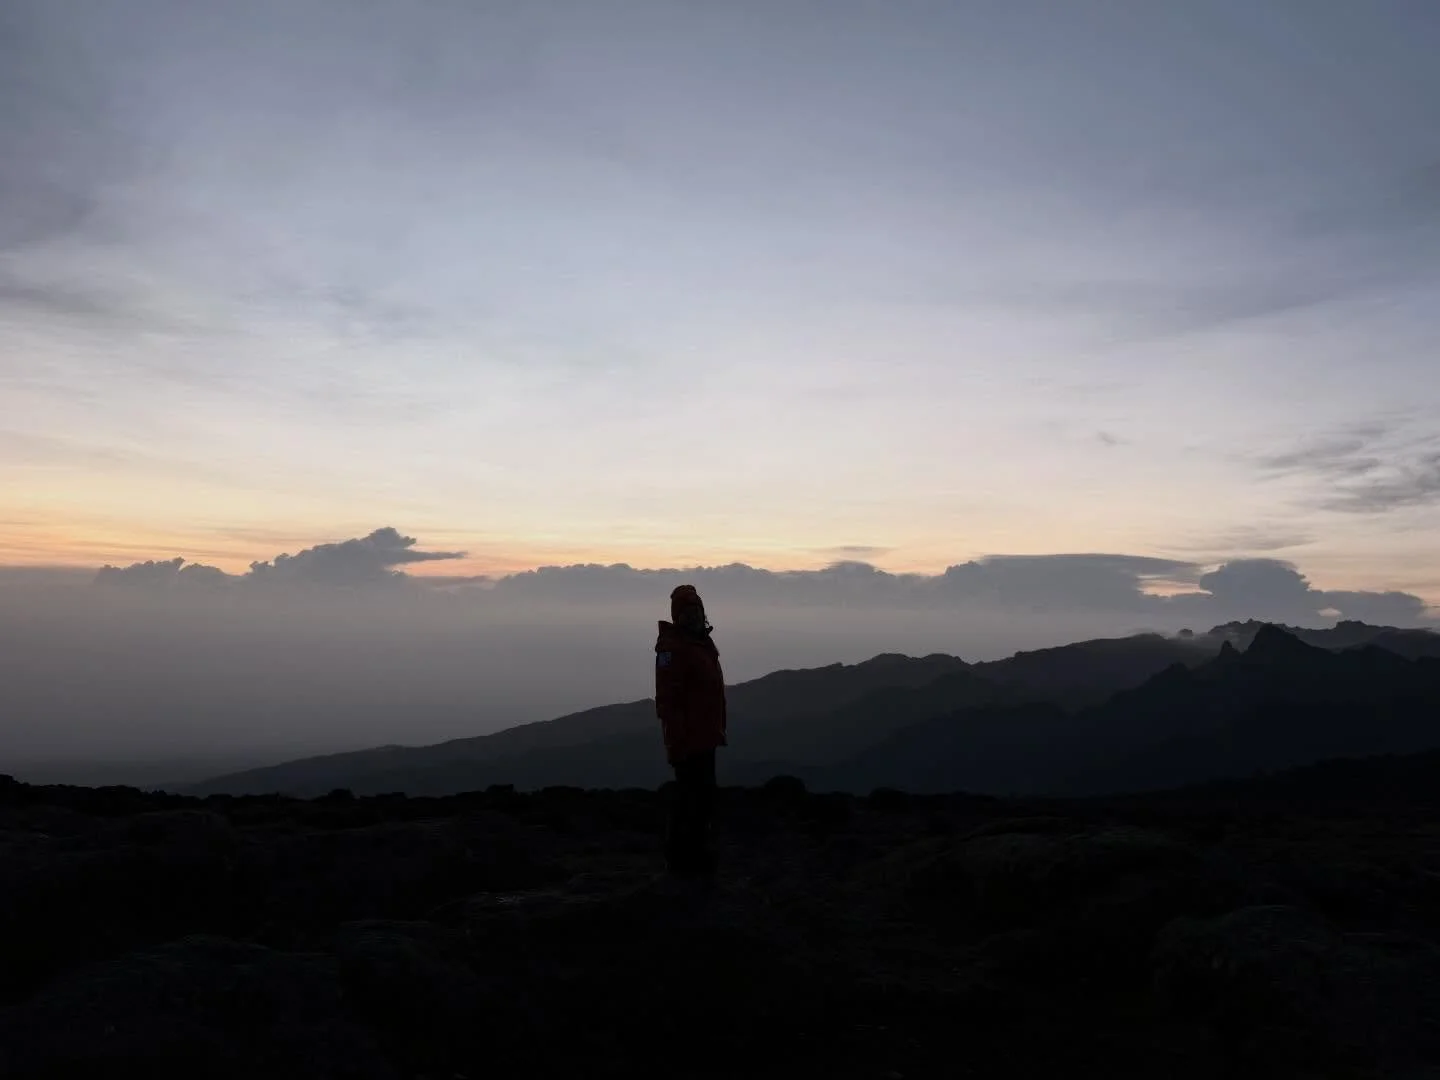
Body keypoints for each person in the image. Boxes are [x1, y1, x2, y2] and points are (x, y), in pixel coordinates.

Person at [654, 584, 727, 879]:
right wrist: (677, 741)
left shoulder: (699, 643)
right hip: (688, 739)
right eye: (686, 612)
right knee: (691, 799)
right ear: (677, 616)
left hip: (705, 734)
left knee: (701, 798)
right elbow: (667, 701)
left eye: (696, 611)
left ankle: (692, 855)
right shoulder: (671, 650)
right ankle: (683, 860)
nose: (693, 617)